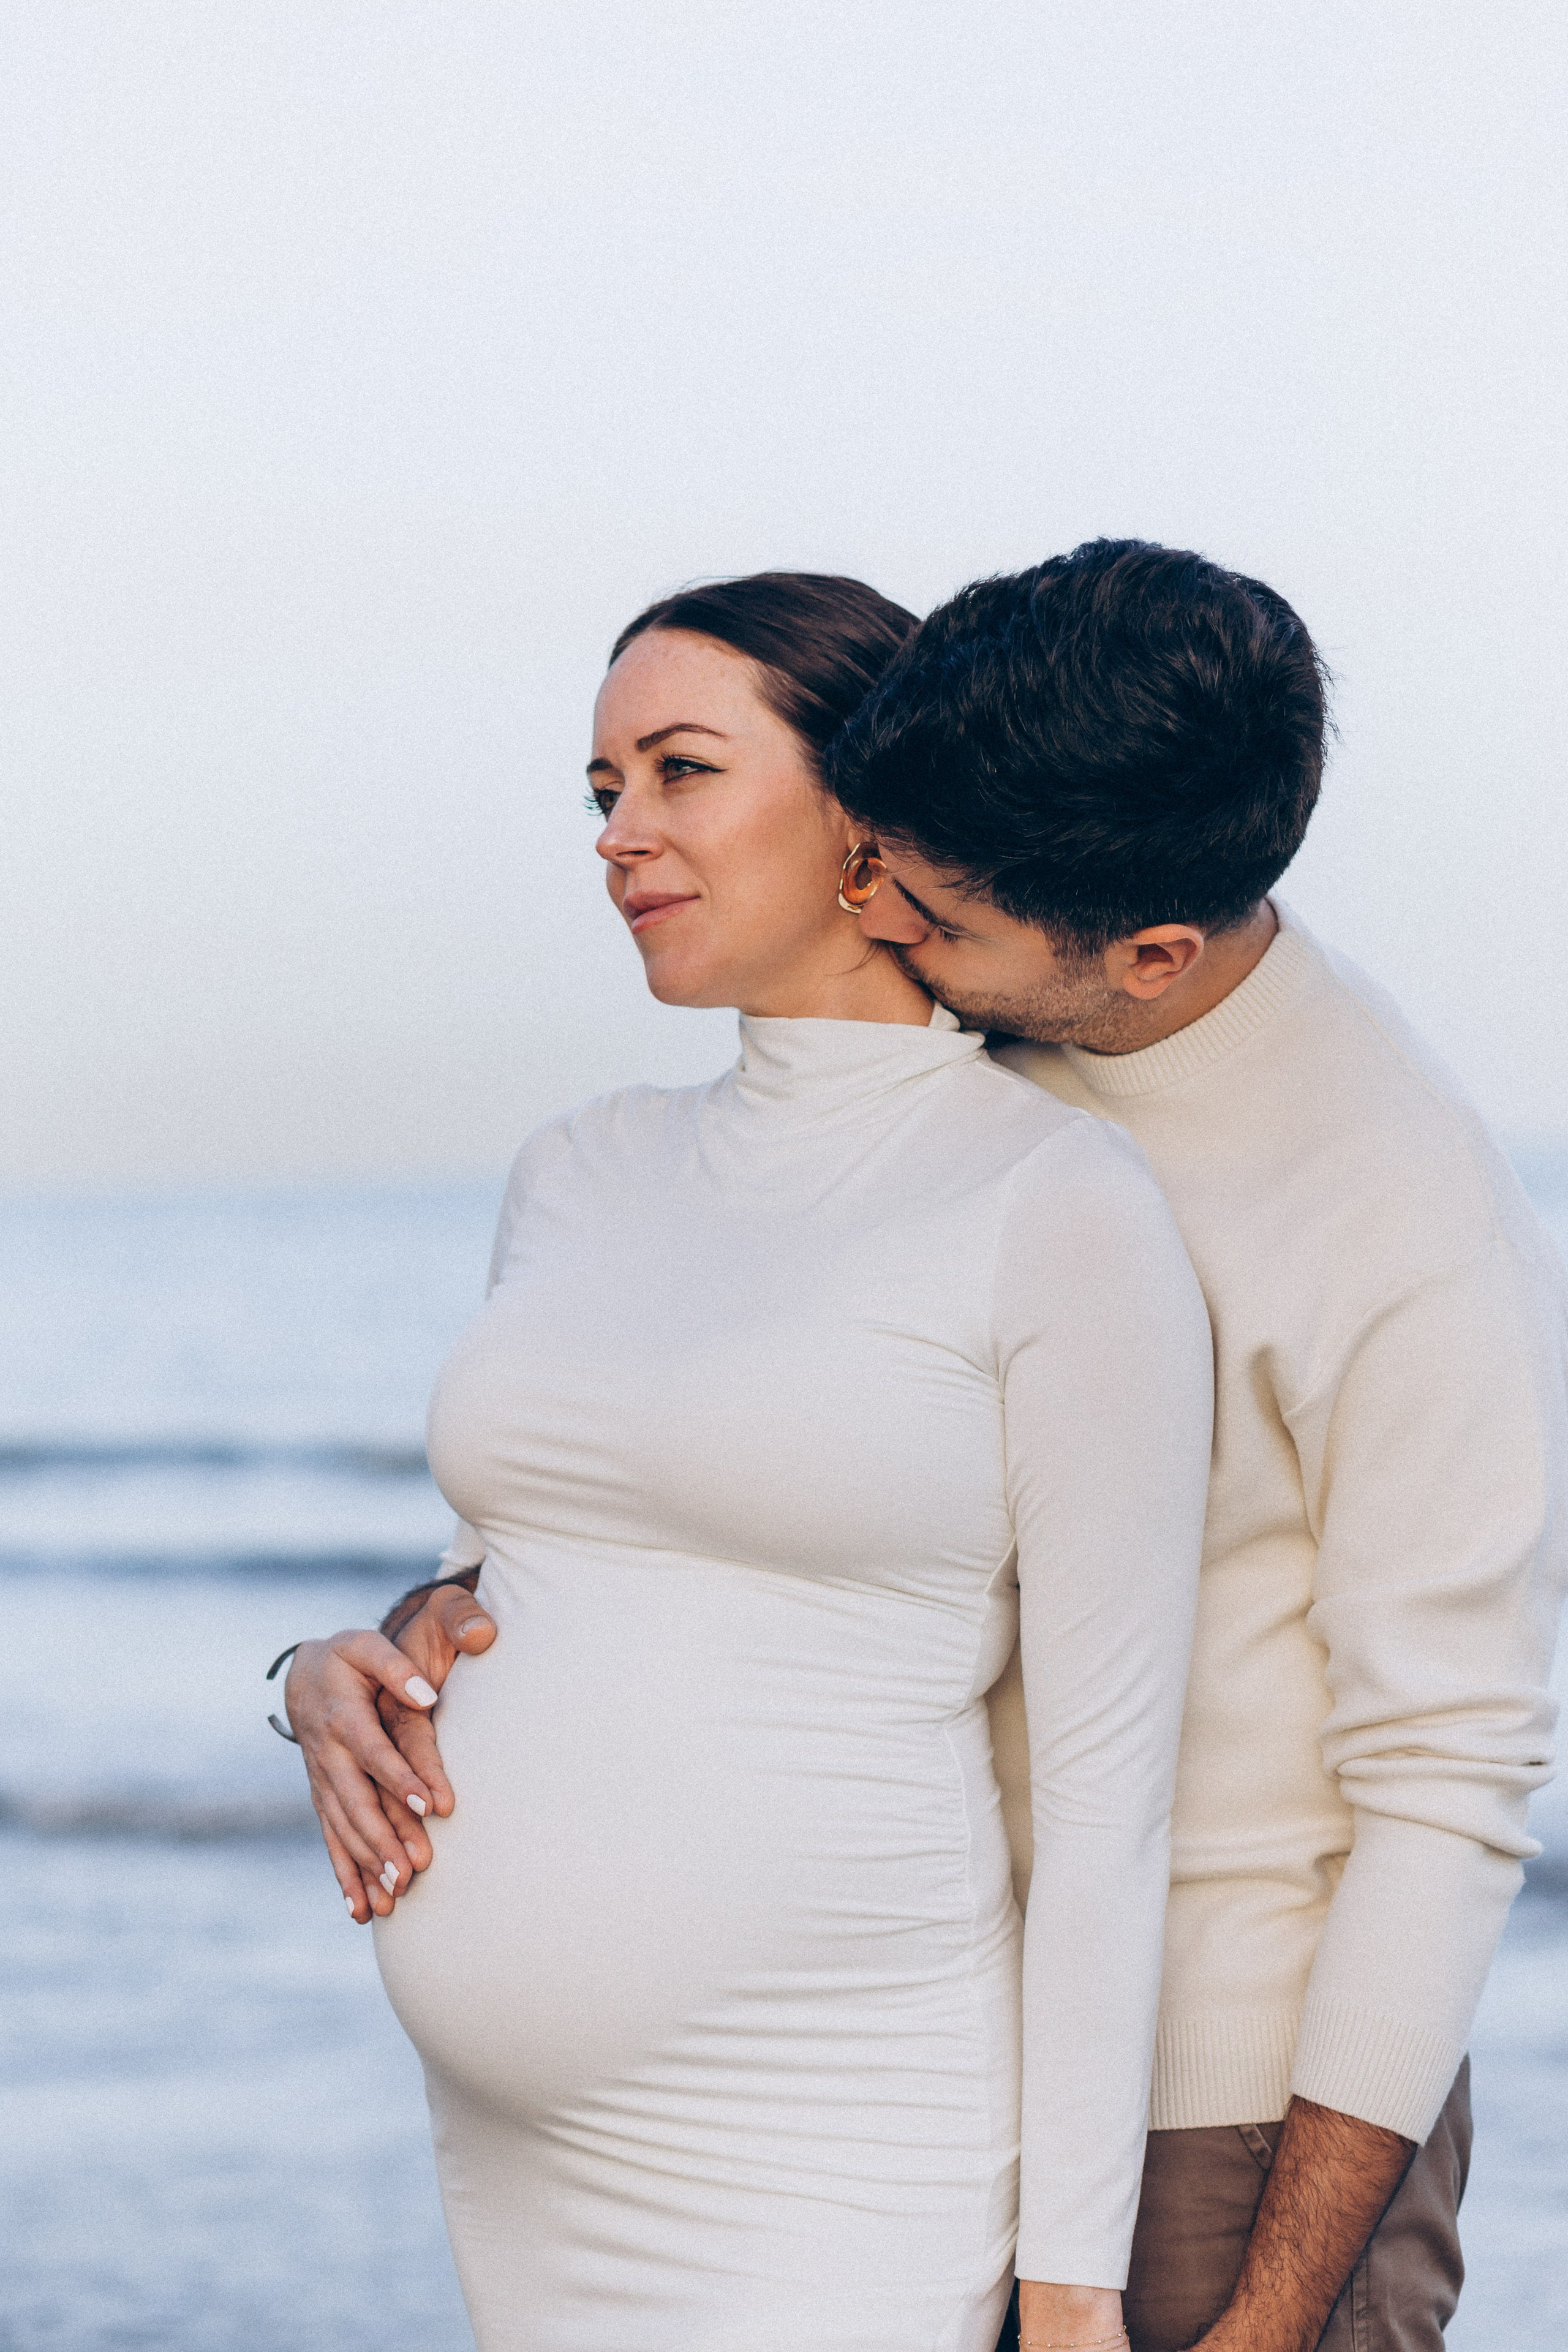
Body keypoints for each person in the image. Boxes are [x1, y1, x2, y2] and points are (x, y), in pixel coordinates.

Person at [298, 540, 1567, 2352]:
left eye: (934, 913)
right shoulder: (992, 1043)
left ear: (1143, 955)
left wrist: (1267, 2314)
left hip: (1228, 2131)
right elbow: (750, 1452)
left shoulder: (1400, 1221)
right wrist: (397, 1636)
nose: (884, 916)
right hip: (925, 2068)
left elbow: (1449, 1788)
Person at [277, 570, 1214, 2352]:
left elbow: (1111, 1798)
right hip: (520, 2151)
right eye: (601, 789)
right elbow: (521, 1586)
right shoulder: (575, 1168)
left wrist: (1074, 2288)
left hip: (830, 2138)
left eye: (680, 772)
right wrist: (323, 1676)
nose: (621, 831)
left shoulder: (1050, 1203)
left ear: (869, 821)